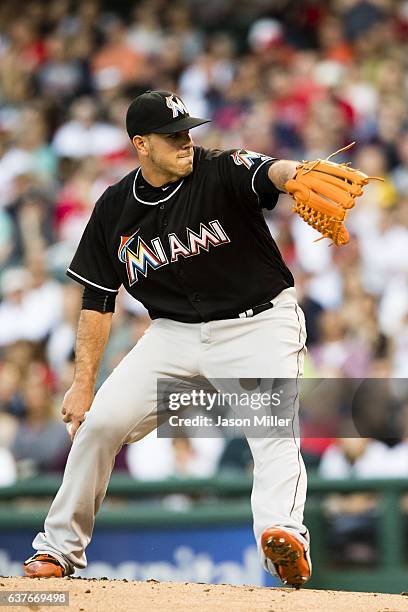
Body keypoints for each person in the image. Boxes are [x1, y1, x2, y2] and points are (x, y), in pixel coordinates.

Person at [23, 90, 311, 588]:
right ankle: (57, 551)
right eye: (172, 135)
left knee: (271, 430)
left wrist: (296, 174)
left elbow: (270, 172)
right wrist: (82, 382)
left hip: (257, 324)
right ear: (141, 144)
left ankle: (283, 535)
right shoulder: (114, 208)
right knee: (97, 426)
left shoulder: (218, 169)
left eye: (188, 132)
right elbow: (97, 299)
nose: (185, 142)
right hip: (173, 334)